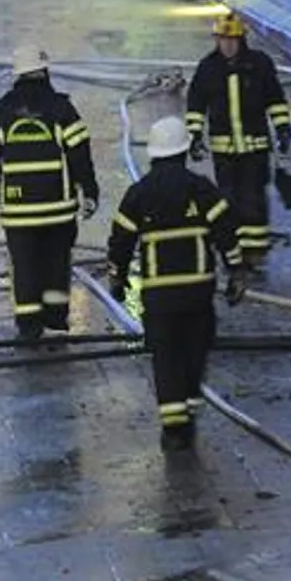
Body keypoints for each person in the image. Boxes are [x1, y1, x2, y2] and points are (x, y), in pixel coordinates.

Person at [108, 116, 251, 450]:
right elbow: (226, 231)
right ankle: (189, 410)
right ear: (183, 151)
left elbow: (121, 240)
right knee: (195, 350)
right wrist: (236, 272)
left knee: (166, 356)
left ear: (153, 154)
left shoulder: (139, 193)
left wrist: (117, 278)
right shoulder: (201, 189)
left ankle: (173, 429)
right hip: (198, 291)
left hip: (159, 296)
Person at [0, 47, 99, 338]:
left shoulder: (0, 112)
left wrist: (0, 193)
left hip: (18, 211)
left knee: (24, 266)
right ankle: (56, 321)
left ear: (16, 75)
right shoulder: (61, 109)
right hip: (58, 209)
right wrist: (89, 191)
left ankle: (29, 326)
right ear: (44, 72)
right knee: (57, 263)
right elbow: (80, 153)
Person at [184, 13, 291, 268]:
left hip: (256, 149)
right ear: (216, 40)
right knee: (228, 200)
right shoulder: (208, 68)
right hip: (225, 152)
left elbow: (275, 99)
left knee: (254, 200)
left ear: (242, 39)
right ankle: (233, 250)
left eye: (232, 39)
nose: (228, 45)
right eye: (223, 39)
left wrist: (283, 129)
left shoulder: (259, 64)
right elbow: (196, 103)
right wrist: (195, 135)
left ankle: (254, 253)